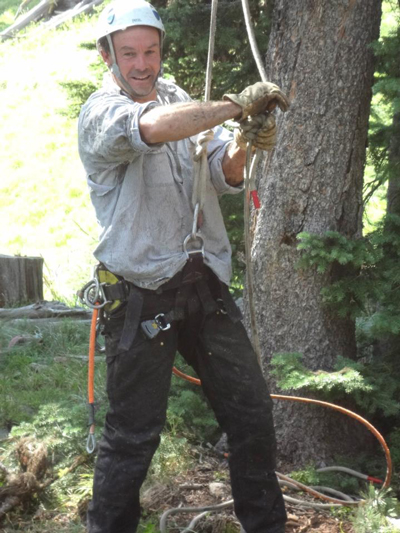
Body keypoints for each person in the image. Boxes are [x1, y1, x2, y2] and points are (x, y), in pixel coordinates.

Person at [78, 1, 289, 532]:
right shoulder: (102, 112)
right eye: (129, 53)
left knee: (251, 417)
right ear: (107, 56)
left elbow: (220, 172)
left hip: (203, 282)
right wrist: (231, 107)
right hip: (141, 290)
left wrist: (245, 141)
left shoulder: (177, 97)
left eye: (150, 51)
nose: (142, 64)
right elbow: (150, 129)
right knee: (132, 434)